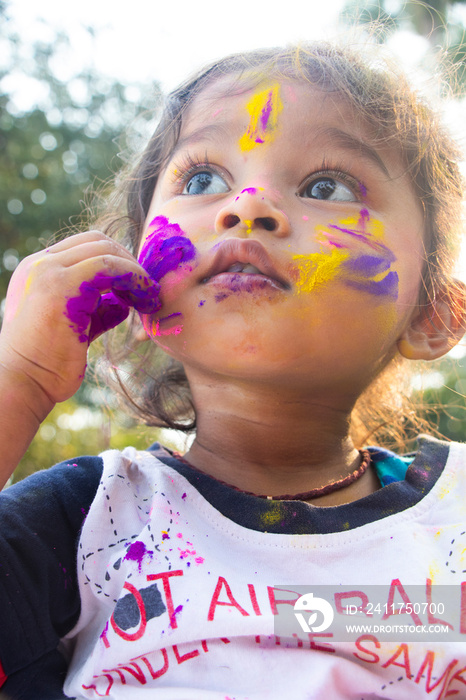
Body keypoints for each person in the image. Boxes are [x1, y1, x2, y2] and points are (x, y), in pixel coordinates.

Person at [0, 40, 466, 700]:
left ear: (432, 313)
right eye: (201, 181)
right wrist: (18, 380)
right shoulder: (88, 521)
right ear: (134, 284)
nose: (247, 205)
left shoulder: (453, 521)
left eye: (325, 186)